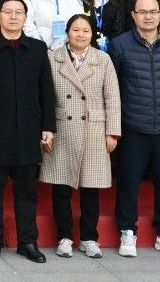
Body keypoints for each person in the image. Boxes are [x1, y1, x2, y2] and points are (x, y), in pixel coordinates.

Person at [0, 0, 55, 263]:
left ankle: (27, 241)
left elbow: (46, 91)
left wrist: (48, 126)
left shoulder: (37, 49)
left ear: (26, 18)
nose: (13, 17)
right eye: (8, 12)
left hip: (29, 131)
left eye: (19, 12)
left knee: (27, 192)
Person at [105, 0, 160, 258]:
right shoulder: (119, 45)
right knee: (128, 182)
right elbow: (114, 86)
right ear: (133, 15)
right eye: (142, 12)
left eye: (153, 12)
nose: (148, 17)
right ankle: (127, 231)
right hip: (133, 125)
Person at [39, 15, 120, 260]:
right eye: (76, 30)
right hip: (62, 128)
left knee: (90, 188)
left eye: (86, 30)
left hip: (94, 129)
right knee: (61, 187)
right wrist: (46, 129)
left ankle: (89, 238)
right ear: (67, 32)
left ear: (92, 34)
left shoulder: (103, 59)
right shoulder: (52, 58)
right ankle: (64, 237)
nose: (81, 34)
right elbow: (44, 96)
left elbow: (112, 98)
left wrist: (112, 132)